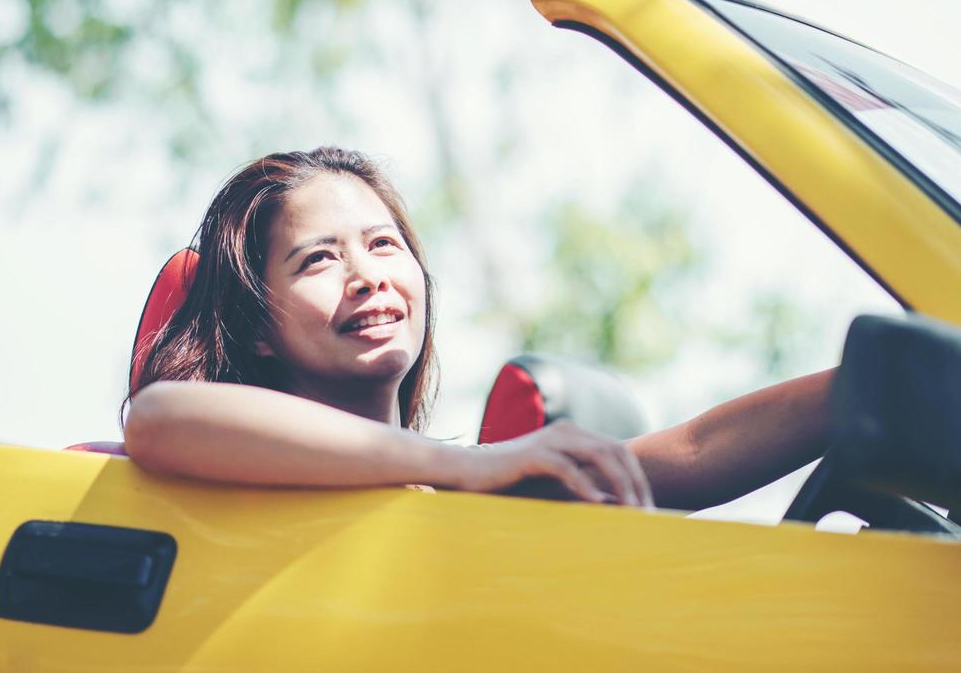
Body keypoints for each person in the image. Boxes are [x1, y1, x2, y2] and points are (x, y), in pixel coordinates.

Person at [124, 147, 834, 511]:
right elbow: (159, 417)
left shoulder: (479, 485)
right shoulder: (211, 467)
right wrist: (469, 466)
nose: (367, 275)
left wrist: (872, 388)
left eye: (382, 244)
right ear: (257, 330)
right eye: (317, 259)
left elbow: (693, 450)